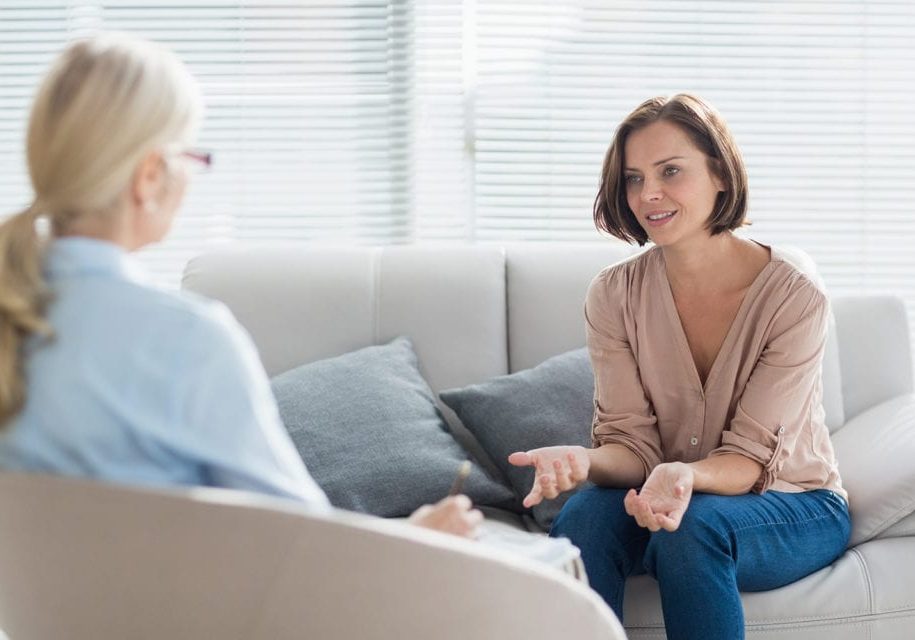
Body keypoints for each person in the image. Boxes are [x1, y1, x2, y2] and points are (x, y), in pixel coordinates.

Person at [0, 34, 481, 539]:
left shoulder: (18, 313)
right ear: (147, 177)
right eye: (191, 155)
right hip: (170, 618)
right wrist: (419, 539)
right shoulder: (185, 339)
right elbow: (301, 554)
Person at [508, 94, 850, 639]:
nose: (649, 194)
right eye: (633, 178)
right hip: (663, 495)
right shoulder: (613, 295)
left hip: (790, 504)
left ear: (719, 171)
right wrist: (586, 460)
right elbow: (634, 446)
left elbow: (749, 459)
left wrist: (687, 475)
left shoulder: (794, 297)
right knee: (582, 520)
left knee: (692, 527)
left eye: (671, 171)